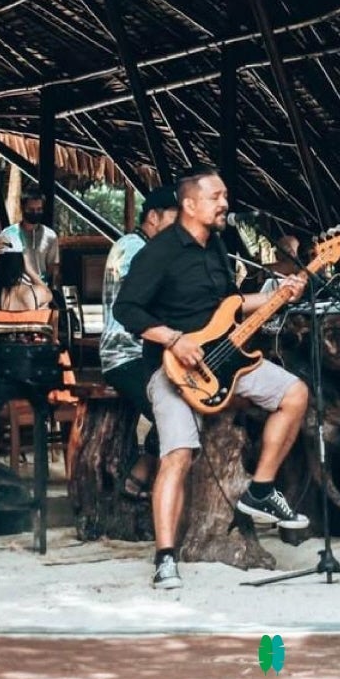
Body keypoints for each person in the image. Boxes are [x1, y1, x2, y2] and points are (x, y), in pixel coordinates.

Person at [114, 166, 310, 590]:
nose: (225, 203)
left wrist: (280, 293)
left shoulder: (217, 246)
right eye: (216, 196)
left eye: (225, 195)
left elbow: (229, 306)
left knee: (294, 393)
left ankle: (260, 488)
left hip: (225, 361)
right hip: (171, 371)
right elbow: (126, 309)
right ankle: (165, 557)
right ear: (189, 204)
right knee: (178, 454)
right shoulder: (160, 251)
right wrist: (173, 339)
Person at [99, 186, 179, 496]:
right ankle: (141, 476)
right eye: (174, 221)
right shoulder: (134, 249)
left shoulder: (139, 246)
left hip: (143, 353)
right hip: (125, 356)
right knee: (172, 409)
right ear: (154, 217)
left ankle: (144, 476)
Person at [0, 190, 59, 289]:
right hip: (16, 289)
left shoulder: (50, 236)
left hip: (40, 288)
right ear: (22, 208)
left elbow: (52, 266)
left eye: (39, 209)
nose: (35, 213)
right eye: (31, 210)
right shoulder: (9, 234)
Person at [0, 241, 53, 316]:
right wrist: (29, 270)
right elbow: (49, 294)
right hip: (28, 325)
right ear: (20, 266)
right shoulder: (33, 293)